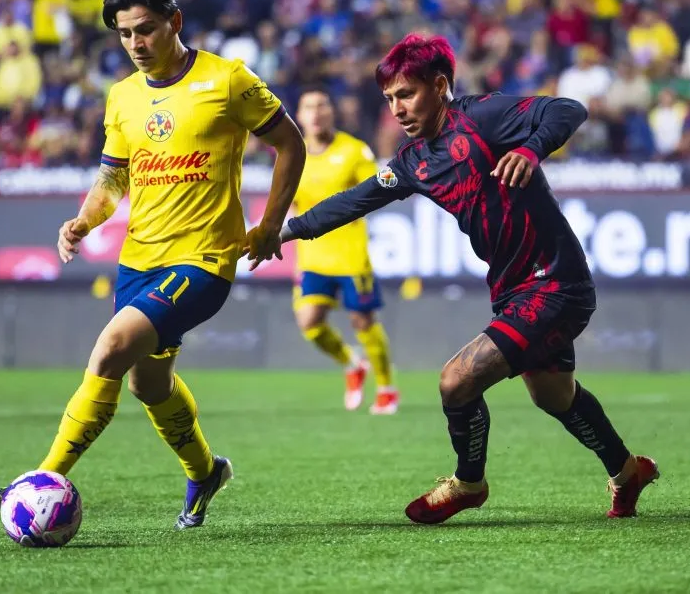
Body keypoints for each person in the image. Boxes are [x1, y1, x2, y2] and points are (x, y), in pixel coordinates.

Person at [255, 33, 657, 524]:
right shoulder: (412, 161)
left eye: (406, 94)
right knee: (554, 396)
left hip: (555, 282)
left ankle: (468, 483)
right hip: (512, 289)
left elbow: (567, 109)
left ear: (440, 85)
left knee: (456, 380)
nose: (397, 109)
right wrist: (282, 231)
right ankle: (626, 471)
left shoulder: (482, 116)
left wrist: (530, 151)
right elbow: (354, 200)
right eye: (389, 99)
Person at [0, 0, 306, 530]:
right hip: (138, 262)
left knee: (109, 349)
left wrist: (271, 222)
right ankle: (205, 471)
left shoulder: (227, 79)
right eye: (125, 33)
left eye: (147, 29)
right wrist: (85, 218)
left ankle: (38, 479)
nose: (136, 43)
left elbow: (290, 144)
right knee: (146, 383)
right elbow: (113, 179)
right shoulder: (123, 97)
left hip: (204, 260)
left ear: (174, 21)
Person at [291, 86, 399, 414]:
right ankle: (352, 364)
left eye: (323, 104)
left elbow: (379, 189)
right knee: (309, 322)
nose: (317, 112)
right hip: (313, 256)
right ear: (299, 116)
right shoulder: (293, 155)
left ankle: (386, 388)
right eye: (309, 106)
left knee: (363, 321)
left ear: (331, 112)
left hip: (351, 254)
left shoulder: (354, 151)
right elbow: (291, 205)